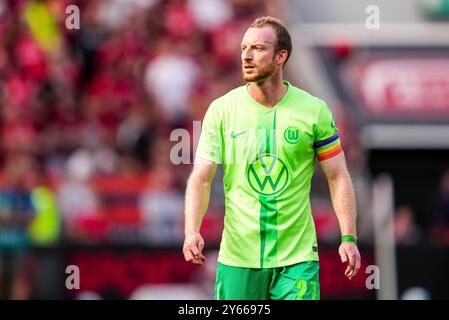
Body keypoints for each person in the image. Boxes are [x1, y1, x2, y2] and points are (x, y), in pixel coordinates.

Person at [183, 16, 361, 300]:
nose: (247, 56)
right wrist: (192, 230)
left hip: (297, 258)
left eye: (257, 48)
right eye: (243, 48)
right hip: (238, 258)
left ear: (281, 56)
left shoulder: (314, 111)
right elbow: (201, 179)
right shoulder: (221, 110)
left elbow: (337, 175)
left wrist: (348, 237)